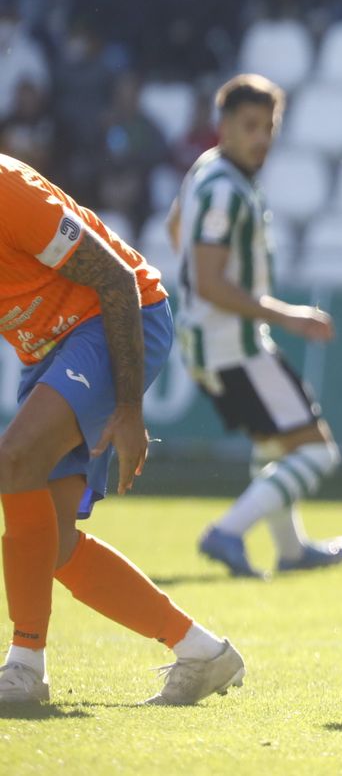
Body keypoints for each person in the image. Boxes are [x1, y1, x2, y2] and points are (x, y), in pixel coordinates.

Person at [0, 155, 245, 706]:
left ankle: (24, 668)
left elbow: (115, 277)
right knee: (53, 547)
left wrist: (129, 410)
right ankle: (202, 652)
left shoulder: (6, 190)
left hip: (116, 319)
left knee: (14, 460)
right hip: (45, 348)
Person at [168, 75, 342, 579]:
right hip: (236, 344)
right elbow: (208, 282)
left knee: (273, 448)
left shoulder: (207, 172)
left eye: (268, 127)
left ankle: (291, 549)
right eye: (250, 126)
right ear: (223, 127)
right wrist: (286, 314)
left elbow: (173, 229)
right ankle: (227, 531)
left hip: (214, 342)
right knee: (317, 453)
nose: (261, 138)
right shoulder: (226, 190)